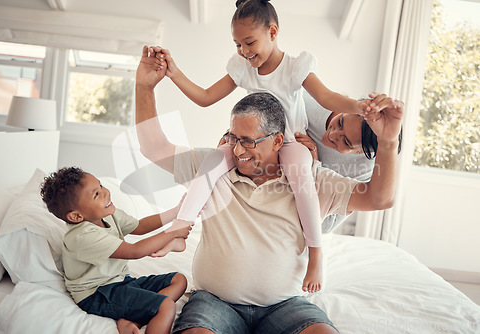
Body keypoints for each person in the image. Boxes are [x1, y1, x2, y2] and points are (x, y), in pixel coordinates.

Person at [135, 45, 404, 334]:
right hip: (215, 302)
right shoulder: (214, 169)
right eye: (233, 137)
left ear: (278, 141)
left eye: (249, 141)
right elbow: (155, 148)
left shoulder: (311, 178)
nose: (238, 150)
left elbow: (380, 198)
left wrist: (387, 143)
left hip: (286, 305)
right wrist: (144, 87)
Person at [151, 0, 373, 293]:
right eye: (238, 44)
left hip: (290, 143)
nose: (244, 51)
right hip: (250, 143)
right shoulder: (242, 68)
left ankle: (316, 254)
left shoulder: (296, 67)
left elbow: (327, 96)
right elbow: (205, 97)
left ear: (273, 31)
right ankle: (180, 229)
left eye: (250, 42)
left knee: (303, 182)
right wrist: (173, 71)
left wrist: (360, 107)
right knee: (211, 164)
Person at [40, 166, 193, 334]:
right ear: (76, 216)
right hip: (97, 294)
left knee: (179, 280)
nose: (106, 192)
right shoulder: (82, 236)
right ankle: (140, 313)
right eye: (96, 194)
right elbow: (135, 251)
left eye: (100, 185)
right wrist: (172, 233)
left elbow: (140, 226)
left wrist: (175, 212)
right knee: (166, 306)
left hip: (120, 282)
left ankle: (131, 318)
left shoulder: (106, 214)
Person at [295, 94, 402, 232]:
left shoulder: (363, 169)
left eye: (346, 141)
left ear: (361, 153)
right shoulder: (317, 104)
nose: (332, 135)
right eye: (340, 122)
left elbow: (325, 226)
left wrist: (314, 163)